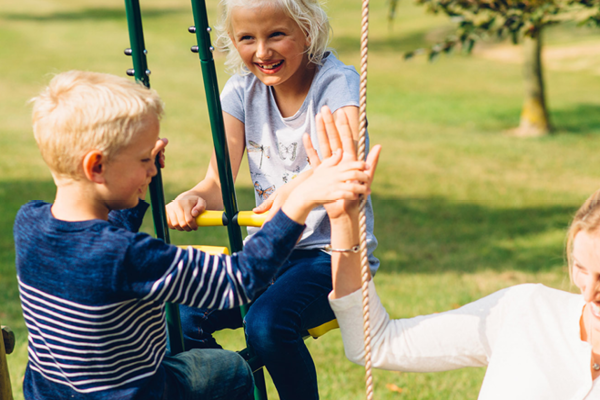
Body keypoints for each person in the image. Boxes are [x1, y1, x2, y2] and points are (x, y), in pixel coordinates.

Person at [14, 70, 372, 400]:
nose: (152, 167)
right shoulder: (130, 256)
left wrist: (139, 181)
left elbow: (100, 239)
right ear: (97, 166)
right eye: (143, 160)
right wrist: (299, 201)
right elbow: (240, 278)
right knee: (228, 370)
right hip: (140, 393)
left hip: (53, 392)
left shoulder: (29, 223)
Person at [165, 0, 379, 398]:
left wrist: (293, 192)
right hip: (266, 252)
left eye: (276, 35)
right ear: (233, 42)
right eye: (247, 38)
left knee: (265, 325)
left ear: (308, 33)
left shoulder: (337, 84)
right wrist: (194, 197)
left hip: (330, 257)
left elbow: (345, 161)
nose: (262, 52)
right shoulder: (240, 92)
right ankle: (233, 387)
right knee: (181, 317)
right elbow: (217, 182)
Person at [323, 120, 600, 399]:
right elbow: (376, 344)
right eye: (580, 268)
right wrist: (343, 223)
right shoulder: (528, 311)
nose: (588, 293)